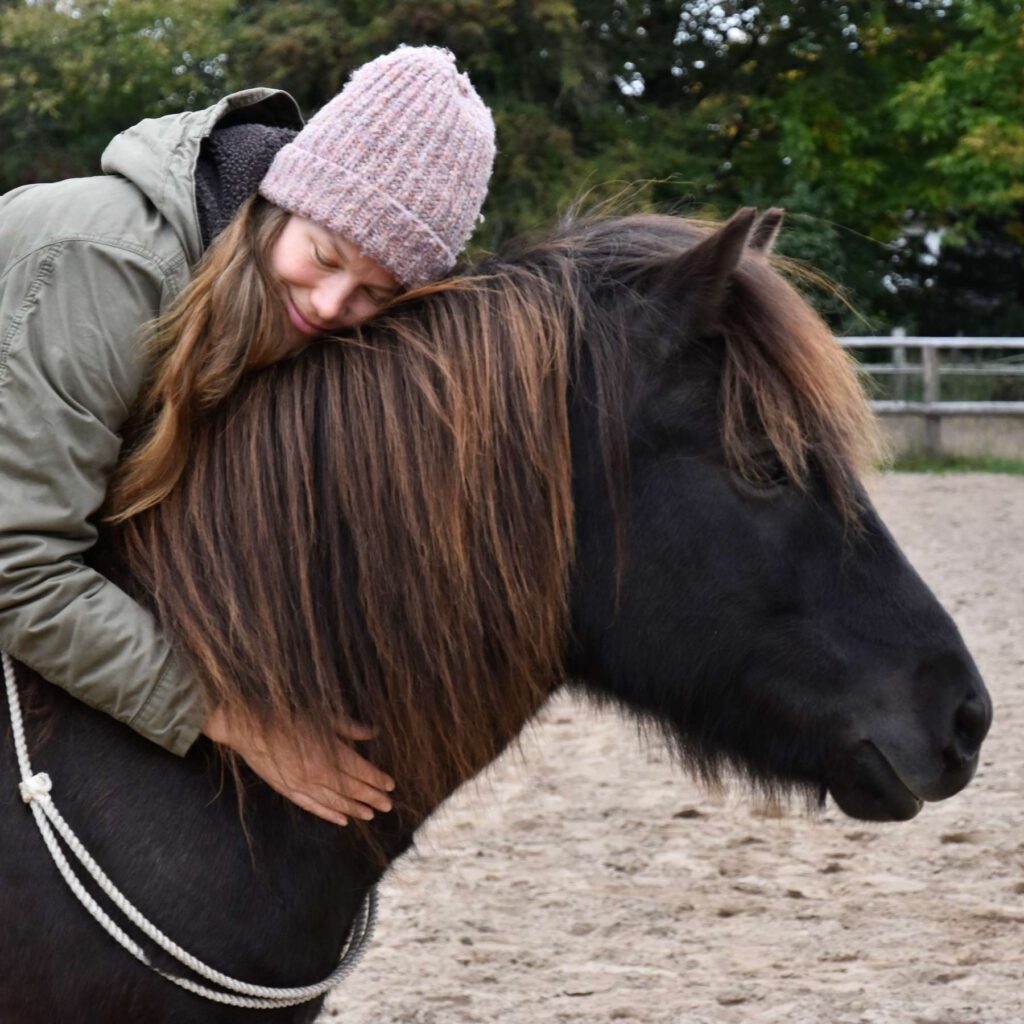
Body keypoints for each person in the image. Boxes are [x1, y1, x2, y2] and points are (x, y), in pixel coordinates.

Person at [0, 46, 496, 828]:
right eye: (324, 256)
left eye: (376, 293)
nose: (332, 305)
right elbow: (18, 566)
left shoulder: (280, 307)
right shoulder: (109, 266)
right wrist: (232, 716)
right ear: (276, 201)